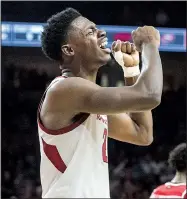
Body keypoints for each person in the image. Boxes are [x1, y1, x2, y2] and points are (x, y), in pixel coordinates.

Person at [38, 7, 163, 198]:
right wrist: (150, 45)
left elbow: (142, 134)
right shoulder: (63, 90)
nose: (101, 33)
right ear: (69, 49)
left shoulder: (89, 102)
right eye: (90, 32)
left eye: (97, 29)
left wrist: (131, 71)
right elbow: (150, 95)